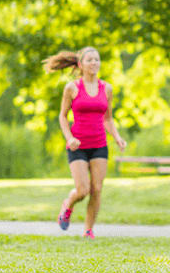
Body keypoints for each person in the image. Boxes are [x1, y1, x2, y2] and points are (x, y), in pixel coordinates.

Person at [43, 47, 126, 239]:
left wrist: (117, 137)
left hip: (99, 145)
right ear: (81, 64)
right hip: (78, 145)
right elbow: (63, 116)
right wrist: (69, 137)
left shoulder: (107, 88)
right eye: (90, 60)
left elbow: (108, 118)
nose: (94, 63)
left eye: (97, 59)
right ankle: (68, 204)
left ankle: (88, 230)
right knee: (82, 190)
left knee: (97, 189)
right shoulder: (72, 88)